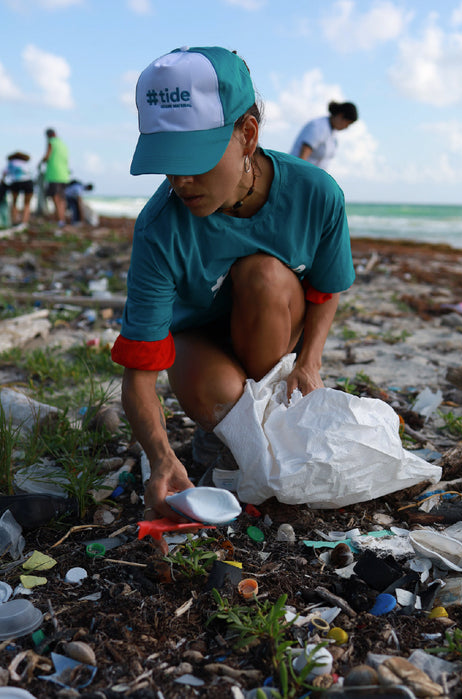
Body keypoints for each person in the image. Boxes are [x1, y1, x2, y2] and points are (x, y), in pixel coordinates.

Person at [111, 46, 355, 523]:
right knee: (216, 390)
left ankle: (266, 409)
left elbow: (326, 289)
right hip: (199, 341)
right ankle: (231, 429)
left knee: (262, 272)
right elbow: (139, 372)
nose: (181, 180)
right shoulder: (160, 227)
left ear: (247, 135)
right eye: (168, 160)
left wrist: (308, 361)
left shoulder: (316, 193)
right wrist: (162, 459)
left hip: (272, 330)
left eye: (195, 159)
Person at [290, 101, 358, 170]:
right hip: (298, 172)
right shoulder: (317, 126)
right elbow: (302, 158)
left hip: (312, 176)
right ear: (340, 116)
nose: (346, 127)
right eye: (347, 123)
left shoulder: (333, 134)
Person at [41, 128, 70, 226]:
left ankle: (60, 220)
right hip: (64, 175)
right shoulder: (63, 144)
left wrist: (41, 162)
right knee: (62, 199)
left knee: (55, 198)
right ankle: (62, 220)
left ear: (48, 135)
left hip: (54, 174)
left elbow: (47, 156)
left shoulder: (51, 142)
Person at [2, 152, 34, 229]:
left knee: (14, 202)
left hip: (16, 182)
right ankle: (24, 222)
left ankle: (14, 221)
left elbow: (4, 173)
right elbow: (31, 173)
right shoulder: (26, 163)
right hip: (28, 182)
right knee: (27, 203)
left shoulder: (11, 163)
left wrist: (3, 182)